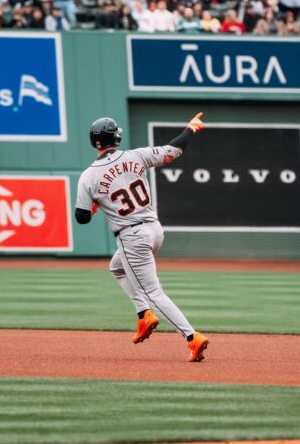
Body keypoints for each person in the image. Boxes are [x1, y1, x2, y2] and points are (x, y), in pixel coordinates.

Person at [74, 115, 209, 363]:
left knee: (154, 292)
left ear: (95, 142)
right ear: (116, 137)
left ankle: (192, 337)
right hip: (154, 230)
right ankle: (143, 315)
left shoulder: (88, 176)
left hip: (132, 237)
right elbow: (174, 149)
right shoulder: (136, 156)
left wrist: (95, 204)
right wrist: (190, 128)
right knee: (116, 268)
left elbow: (81, 218)